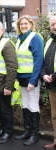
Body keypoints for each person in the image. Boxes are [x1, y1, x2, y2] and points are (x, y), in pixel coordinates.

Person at [14, 15, 44, 146]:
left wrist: (33, 80)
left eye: (26, 24)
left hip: (32, 78)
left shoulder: (35, 37)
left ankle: (34, 135)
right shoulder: (20, 39)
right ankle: (27, 131)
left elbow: (38, 60)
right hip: (21, 77)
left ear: (31, 25)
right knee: (25, 104)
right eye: (21, 24)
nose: (23, 26)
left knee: (33, 105)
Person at [41, 16, 56, 149]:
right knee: (54, 116)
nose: (54, 26)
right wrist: (44, 75)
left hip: (54, 80)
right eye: (52, 24)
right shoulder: (49, 41)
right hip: (52, 86)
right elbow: (45, 62)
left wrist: (53, 76)